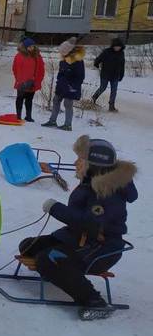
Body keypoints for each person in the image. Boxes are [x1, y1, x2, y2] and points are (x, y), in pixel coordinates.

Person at [20, 136, 137, 320]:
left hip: (100, 248)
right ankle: (62, 275)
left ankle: (94, 301)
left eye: (80, 159)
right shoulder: (91, 181)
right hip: (79, 239)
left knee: (47, 259)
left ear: (93, 165)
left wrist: (55, 208)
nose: (75, 163)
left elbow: (89, 224)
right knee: (29, 246)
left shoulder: (107, 191)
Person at [42, 38, 85, 132]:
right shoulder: (64, 59)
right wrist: (59, 82)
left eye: (63, 51)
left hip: (71, 87)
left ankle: (68, 125)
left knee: (68, 104)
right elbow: (61, 73)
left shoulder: (78, 61)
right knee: (56, 100)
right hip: (62, 85)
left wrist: (72, 86)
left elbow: (80, 77)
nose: (61, 53)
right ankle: (52, 121)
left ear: (69, 51)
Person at [12, 36, 44, 122]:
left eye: (32, 46)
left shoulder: (37, 56)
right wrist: (19, 80)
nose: (31, 48)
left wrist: (37, 81)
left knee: (29, 99)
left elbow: (41, 69)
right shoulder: (19, 56)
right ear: (25, 47)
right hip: (22, 82)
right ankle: (18, 116)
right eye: (29, 46)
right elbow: (15, 69)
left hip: (32, 82)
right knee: (20, 98)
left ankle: (28, 116)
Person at [92, 38, 125, 112]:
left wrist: (121, 75)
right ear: (113, 46)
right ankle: (94, 97)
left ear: (121, 46)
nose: (117, 48)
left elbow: (122, 65)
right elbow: (99, 59)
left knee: (114, 91)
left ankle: (111, 106)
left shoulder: (121, 53)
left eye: (119, 46)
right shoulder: (107, 52)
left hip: (115, 75)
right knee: (103, 88)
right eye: (115, 46)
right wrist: (96, 63)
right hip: (105, 74)